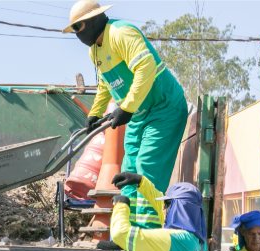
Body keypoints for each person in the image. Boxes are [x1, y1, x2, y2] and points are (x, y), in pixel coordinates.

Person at [64, 0, 188, 230]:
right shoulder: (95, 51)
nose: (77, 34)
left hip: (164, 108)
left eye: (78, 27)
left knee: (147, 167)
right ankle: (126, 233)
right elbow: (106, 83)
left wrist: (127, 107)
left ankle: (147, 232)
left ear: (93, 20)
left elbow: (146, 67)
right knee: (127, 171)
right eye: (74, 29)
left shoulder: (121, 33)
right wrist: (95, 113)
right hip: (139, 114)